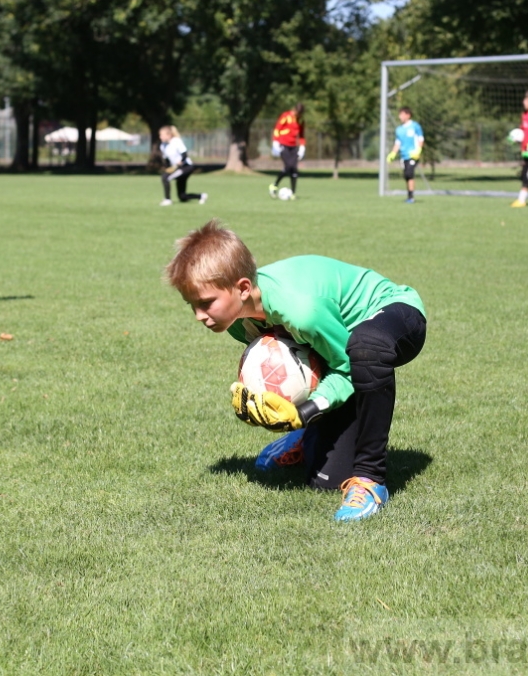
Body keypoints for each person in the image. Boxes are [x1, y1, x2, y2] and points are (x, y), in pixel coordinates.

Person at [165, 219, 427, 522]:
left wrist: (303, 412)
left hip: (394, 314)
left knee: (366, 349)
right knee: (324, 482)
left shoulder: (301, 310)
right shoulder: (237, 321)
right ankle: (303, 441)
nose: (199, 315)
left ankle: (370, 480)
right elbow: (306, 363)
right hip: (344, 344)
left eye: (206, 303)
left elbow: (345, 369)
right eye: (191, 305)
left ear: (243, 288)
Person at [157, 125, 207, 206]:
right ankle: (201, 196)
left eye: (162, 135)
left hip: (186, 167)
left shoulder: (176, 141)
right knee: (182, 196)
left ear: (169, 135)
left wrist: (180, 162)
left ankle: (167, 199)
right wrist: (167, 168)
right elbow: (166, 160)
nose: (160, 137)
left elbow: (184, 154)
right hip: (177, 168)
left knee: (165, 177)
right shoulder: (163, 145)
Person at [387, 107, 425, 203]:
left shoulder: (415, 126)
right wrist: (393, 153)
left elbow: (421, 139)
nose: (400, 116)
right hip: (403, 156)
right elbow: (398, 143)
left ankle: (411, 197)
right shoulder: (399, 129)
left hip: (413, 155)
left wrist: (418, 150)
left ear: (408, 115)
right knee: (406, 176)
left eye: (402, 114)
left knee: (409, 173)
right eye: (399, 114)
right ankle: (409, 196)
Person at [268, 104, 305, 199]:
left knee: (294, 170)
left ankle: (293, 193)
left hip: (293, 147)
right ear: (295, 110)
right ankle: (274, 185)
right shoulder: (286, 116)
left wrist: (302, 147)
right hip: (283, 144)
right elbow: (277, 128)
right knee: (288, 166)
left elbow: (301, 135)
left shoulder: (300, 120)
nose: (299, 116)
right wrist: (275, 141)